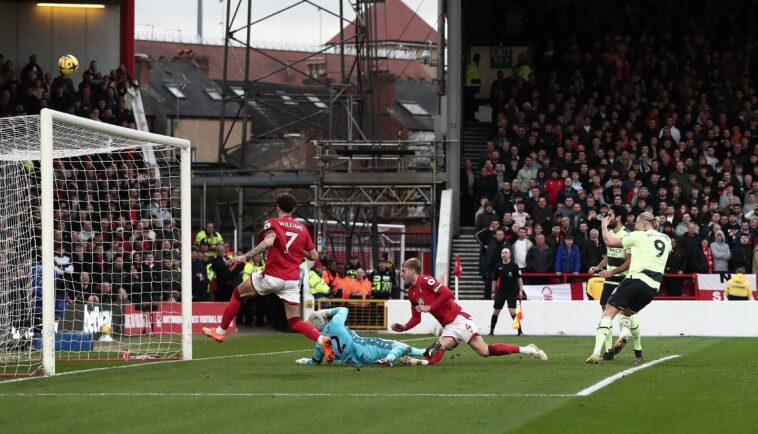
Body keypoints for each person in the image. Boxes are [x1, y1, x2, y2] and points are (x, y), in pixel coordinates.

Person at [202, 193, 335, 363]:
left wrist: (245, 257)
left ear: (277, 207)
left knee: (237, 294)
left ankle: (220, 332)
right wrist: (298, 250)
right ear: (293, 210)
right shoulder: (302, 229)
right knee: (294, 322)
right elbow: (315, 256)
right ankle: (322, 340)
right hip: (292, 281)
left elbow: (269, 242)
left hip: (273, 276)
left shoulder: (272, 223)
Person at [391, 258, 547, 365]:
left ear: (412, 271)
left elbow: (448, 294)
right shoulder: (411, 292)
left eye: (403, 270)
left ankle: (528, 349)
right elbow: (416, 317)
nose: (401, 273)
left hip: (459, 319)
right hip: (449, 326)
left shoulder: (426, 280)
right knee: (436, 349)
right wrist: (405, 327)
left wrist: (430, 308)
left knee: (484, 351)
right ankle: (422, 363)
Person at [586, 212, 671, 364]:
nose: (635, 226)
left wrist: (604, 226)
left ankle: (596, 353)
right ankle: (629, 339)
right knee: (627, 314)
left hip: (635, 279)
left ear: (645, 223)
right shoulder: (666, 239)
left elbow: (610, 242)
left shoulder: (639, 236)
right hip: (653, 287)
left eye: (637, 223)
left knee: (607, 314)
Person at [296, 307, 427, 366]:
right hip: (363, 345)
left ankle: (407, 359)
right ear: (324, 319)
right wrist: (326, 311)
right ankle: (424, 352)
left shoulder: (319, 343)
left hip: (356, 361)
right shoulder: (334, 322)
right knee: (398, 345)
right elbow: (344, 309)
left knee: (393, 352)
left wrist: (304, 361)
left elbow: (315, 362)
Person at [587, 205, 633, 360]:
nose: (607, 217)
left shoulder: (627, 235)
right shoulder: (611, 234)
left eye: (610, 215)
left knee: (622, 313)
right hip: (609, 278)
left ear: (618, 217)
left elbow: (629, 261)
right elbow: (609, 254)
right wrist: (598, 267)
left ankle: (634, 344)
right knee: (605, 314)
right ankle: (609, 350)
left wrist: (612, 271)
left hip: (622, 279)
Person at [490, 248, 525, 336]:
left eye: (506, 253)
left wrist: (520, 291)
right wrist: (493, 292)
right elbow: (494, 280)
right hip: (501, 291)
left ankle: (519, 331)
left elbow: (519, 279)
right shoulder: (498, 266)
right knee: (496, 311)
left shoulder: (514, 266)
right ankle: (491, 331)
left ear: (510, 255)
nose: (504, 254)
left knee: (512, 311)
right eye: (502, 253)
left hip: (512, 291)